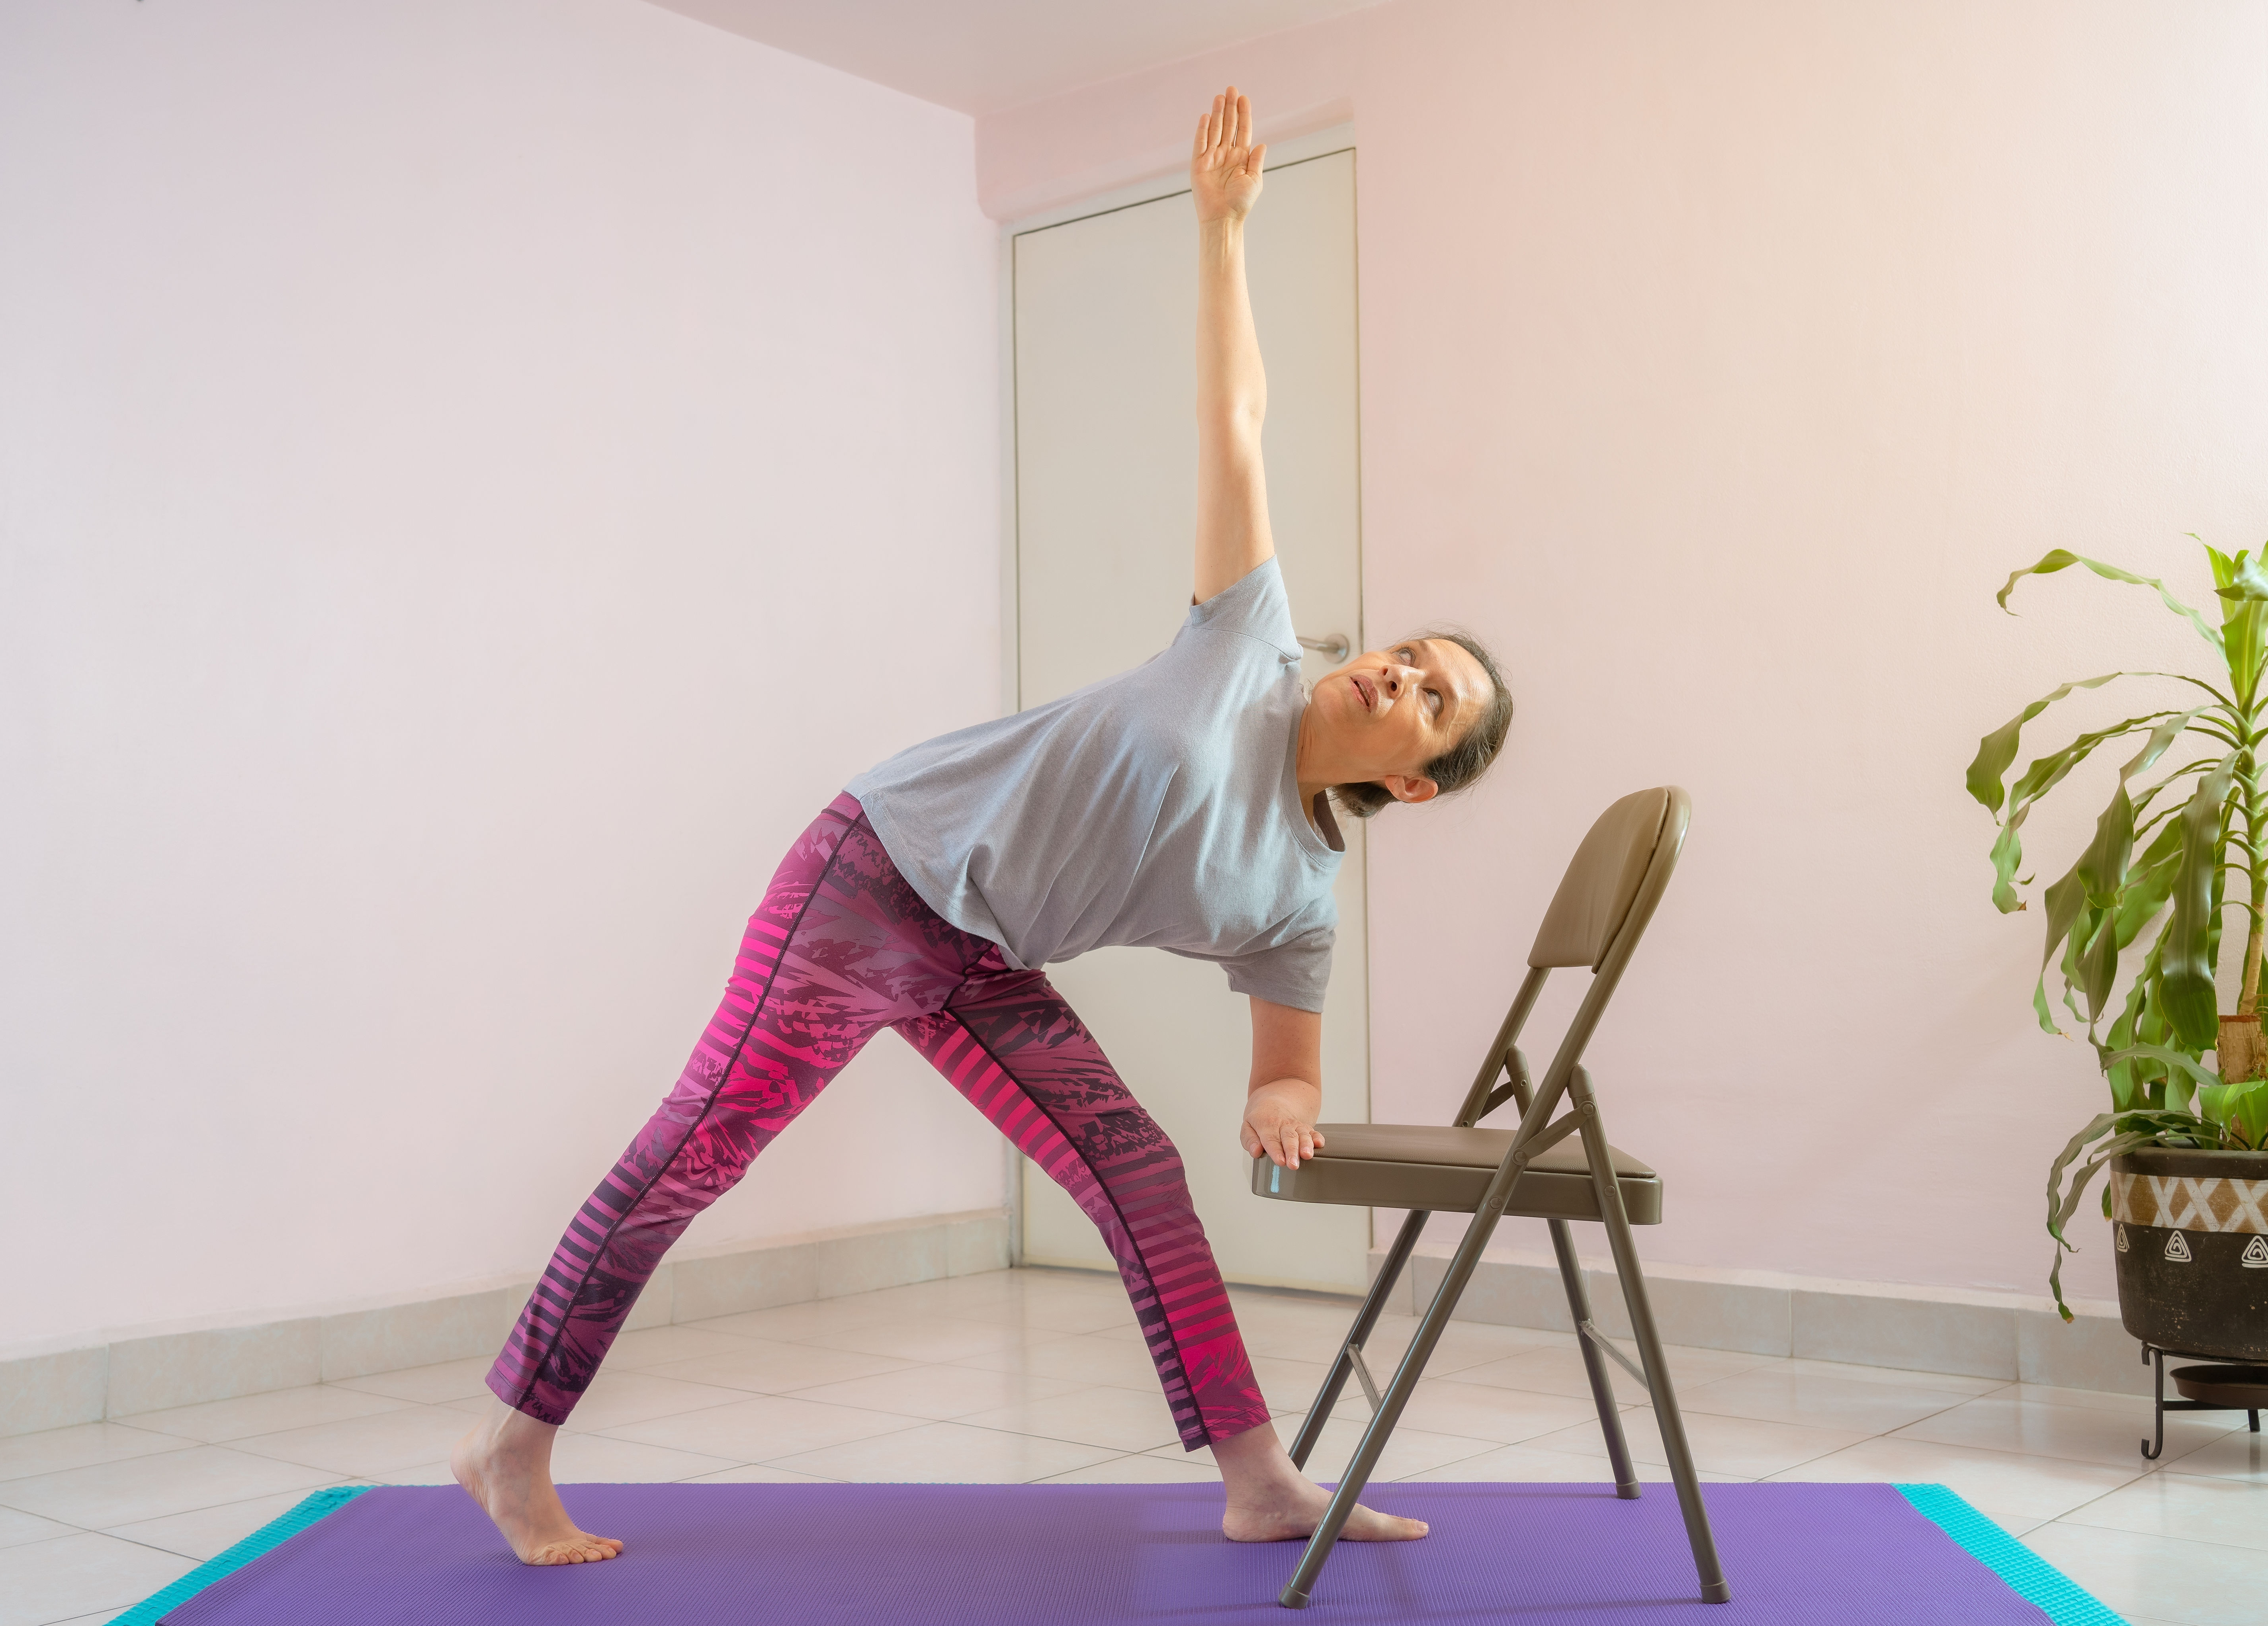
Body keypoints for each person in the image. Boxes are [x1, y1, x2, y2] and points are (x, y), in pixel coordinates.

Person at [452, 86, 1512, 1567]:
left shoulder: (1297, 895)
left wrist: (1282, 1106)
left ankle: (1260, 1476)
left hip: (978, 956)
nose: (1397, 671)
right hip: (873, 875)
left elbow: (1287, 1070)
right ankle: (510, 1447)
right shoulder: (1246, 640)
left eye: (1430, 698)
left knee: (1137, 1168)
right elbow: (1237, 419)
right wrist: (1222, 230)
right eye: (1407, 652)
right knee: (701, 1145)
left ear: (1413, 783)